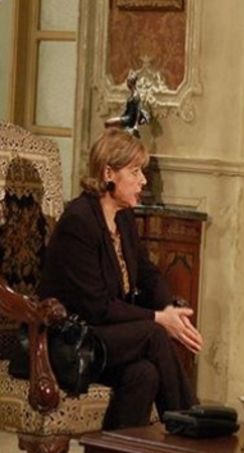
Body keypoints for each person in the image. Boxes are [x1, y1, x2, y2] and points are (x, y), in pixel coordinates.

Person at [37, 128, 203, 430]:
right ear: (108, 173)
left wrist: (169, 310)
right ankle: (191, 429)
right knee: (154, 335)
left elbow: (149, 274)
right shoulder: (79, 221)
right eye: (135, 172)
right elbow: (97, 307)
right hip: (67, 341)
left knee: (143, 374)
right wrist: (159, 319)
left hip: (103, 338)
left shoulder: (123, 217)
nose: (143, 181)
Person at [105, 71, 149, 138]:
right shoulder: (132, 94)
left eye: (128, 82)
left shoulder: (136, 96)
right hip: (125, 117)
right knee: (109, 125)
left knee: (108, 123)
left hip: (128, 119)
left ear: (131, 82)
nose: (127, 84)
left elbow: (138, 111)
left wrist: (135, 126)